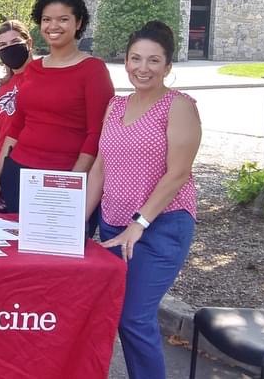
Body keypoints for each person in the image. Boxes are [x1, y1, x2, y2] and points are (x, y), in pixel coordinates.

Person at [85, 21, 201, 379]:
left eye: (154, 60)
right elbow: (100, 169)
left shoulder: (178, 106)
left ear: (168, 66)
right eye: (135, 58)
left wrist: (140, 223)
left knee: (134, 316)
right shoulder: (115, 106)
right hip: (113, 225)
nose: (143, 68)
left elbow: (178, 173)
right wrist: (74, 219)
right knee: (113, 313)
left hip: (161, 226)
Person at [0, 0, 114, 220]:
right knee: (16, 251)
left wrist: (72, 183)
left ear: (78, 23)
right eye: (47, 19)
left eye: (63, 19)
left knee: (58, 253)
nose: (53, 26)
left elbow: (97, 133)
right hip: (19, 173)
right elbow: (17, 125)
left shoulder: (93, 70)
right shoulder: (34, 69)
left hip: (65, 176)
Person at [0, 20, 34, 197]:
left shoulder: (39, 80)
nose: (9, 49)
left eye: (15, 42)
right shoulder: (4, 86)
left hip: (25, 169)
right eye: (2, 45)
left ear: (29, 43)